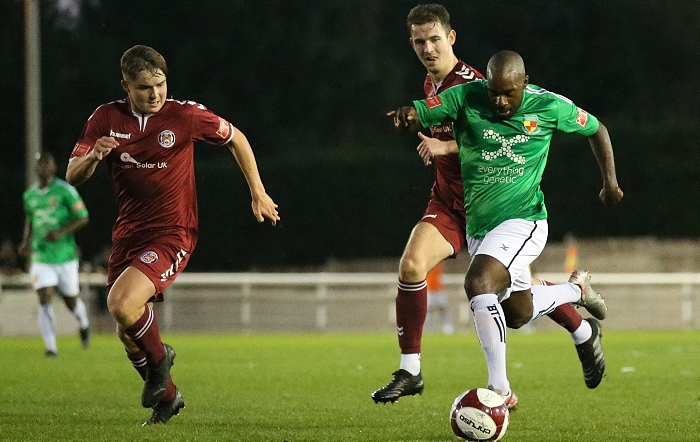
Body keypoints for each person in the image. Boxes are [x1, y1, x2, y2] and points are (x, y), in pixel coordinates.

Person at [372, 4, 609, 406]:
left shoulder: (479, 85)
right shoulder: (432, 86)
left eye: (434, 39)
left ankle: (570, 336)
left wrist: (443, 144)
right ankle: (410, 370)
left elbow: (497, 135)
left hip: (501, 206)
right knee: (414, 266)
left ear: (451, 38)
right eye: (418, 42)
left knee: (511, 301)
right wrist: (410, 116)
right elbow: (432, 116)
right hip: (452, 203)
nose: (427, 48)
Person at [66, 45, 280, 426]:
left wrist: (258, 192)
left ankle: (161, 359)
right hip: (128, 234)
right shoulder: (105, 118)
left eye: (160, 84)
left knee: (121, 303)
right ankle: (167, 397)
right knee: (126, 332)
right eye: (145, 87)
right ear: (126, 86)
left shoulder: (185, 115)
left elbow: (236, 138)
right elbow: (73, 175)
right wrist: (93, 157)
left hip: (173, 233)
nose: (155, 94)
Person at [19, 151, 91, 357]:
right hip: (41, 256)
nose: (43, 168)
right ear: (36, 169)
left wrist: (61, 232)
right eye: (39, 164)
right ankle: (51, 347)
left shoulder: (65, 190)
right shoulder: (30, 195)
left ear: (53, 168)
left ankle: (83, 322)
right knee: (44, 296)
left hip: (65, 255)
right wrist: (26, 242)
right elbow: (30, 222)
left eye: (46, 164)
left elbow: (82, 217)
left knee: (70, 299)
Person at [424, 262, 454, 334]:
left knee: (443, 309)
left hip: (438, 289)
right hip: (429, 289)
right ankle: (429, 329)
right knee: (428, 311)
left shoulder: (437, 262)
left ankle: (447, 328)